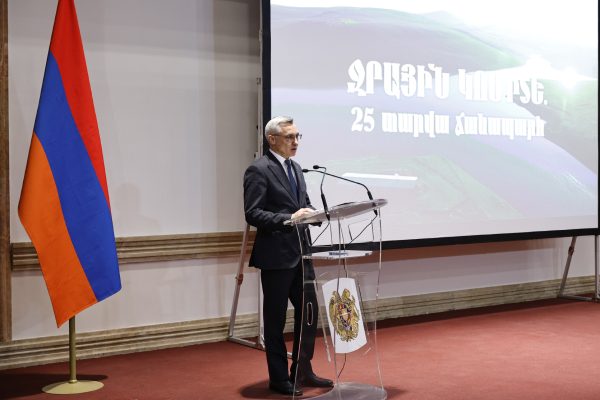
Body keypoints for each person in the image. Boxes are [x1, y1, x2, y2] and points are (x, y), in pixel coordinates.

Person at [243, 116, 333, 396]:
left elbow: (301, 204)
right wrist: (289, 219)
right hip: (276, 256)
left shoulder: (295, 168)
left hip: (302, 253)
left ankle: (302, 370)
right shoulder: (259, 170)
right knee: (275, 320)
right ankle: (279, 377)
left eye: (297, 136)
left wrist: (313, 214)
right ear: (272, 139)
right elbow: (253, 213)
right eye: (289, 137)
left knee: (309, 315)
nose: (295, 142)